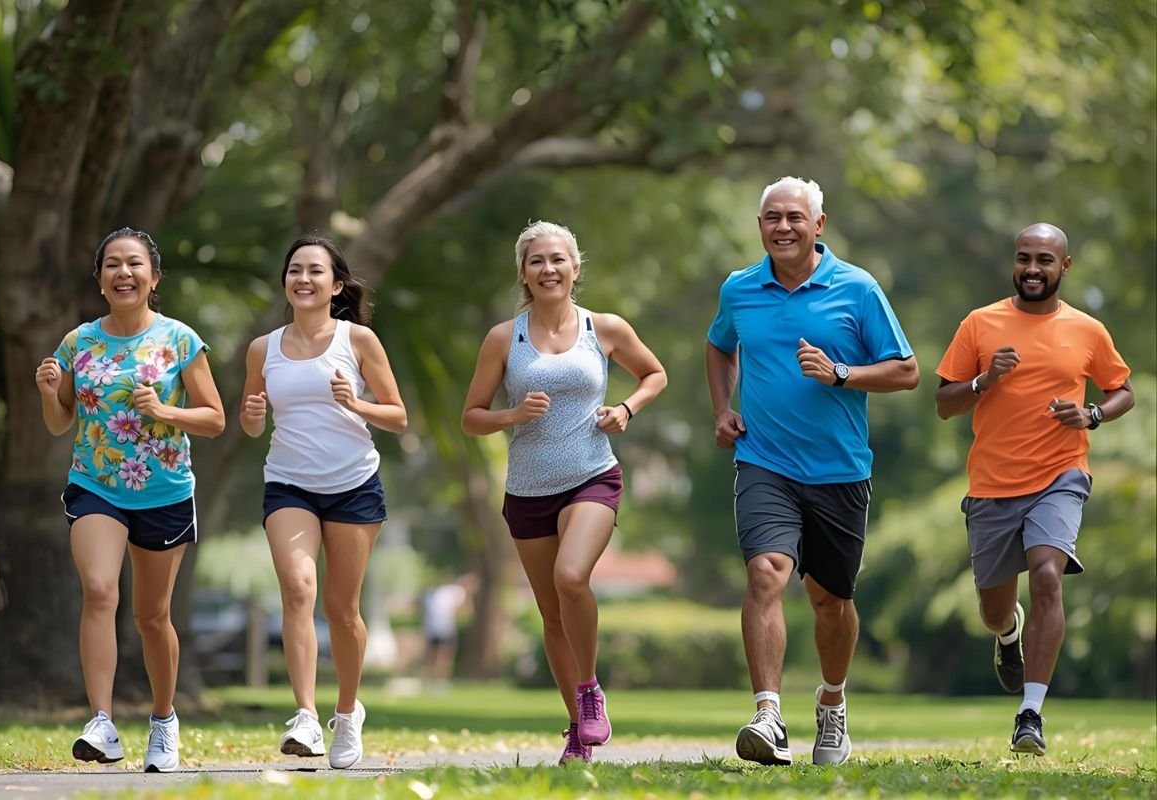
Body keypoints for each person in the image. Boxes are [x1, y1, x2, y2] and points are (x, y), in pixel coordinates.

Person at [705, 177, 918, 766]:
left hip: (839, 470)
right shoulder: (740, 289)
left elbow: (906, 371)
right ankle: (769, 715)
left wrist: (842, 374)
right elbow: (720, 346)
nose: (783, 227)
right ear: (760, 227)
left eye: (795, 217)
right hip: (764, 461)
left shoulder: (857, 287)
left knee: (830, 601)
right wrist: (724, 409)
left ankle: (831, 704)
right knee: (766, 573)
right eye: (772, 217)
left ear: (818, 225)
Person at [461, 221, 667, 765]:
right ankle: (577, 729)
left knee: (571, 577)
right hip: (528, 489)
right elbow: (471, 418)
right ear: (524, 274)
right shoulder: (505, 338)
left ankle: (590, 690)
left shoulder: (605, 328)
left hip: (592, 474)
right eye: (536, 262)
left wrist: (625, 409)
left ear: (576, 267)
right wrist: (512, 413)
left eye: (558, 260)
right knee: (551, 615)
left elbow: (654, 375)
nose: (548, 269)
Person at [935, 223, 1134, 756]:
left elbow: (1123, 391)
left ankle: (1030, 714)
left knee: (1048, 572)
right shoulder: (980, 323)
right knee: (994, 610)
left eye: (1044, 260)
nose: (1031, 269)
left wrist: (1091, 415)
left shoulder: (1088, 331)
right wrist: (984, 380)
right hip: (992, 485)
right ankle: (1007, 635)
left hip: (1060, 474)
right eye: (1024, 258)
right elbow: (944, 402)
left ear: (1064, 267)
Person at [36, 228, 226, 773]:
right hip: (96, 485)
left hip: (164, 491)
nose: (124, 272)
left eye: (134, 264)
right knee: (98, 591)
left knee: (151, 616)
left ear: (153, 277)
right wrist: (51, 392)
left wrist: (166, 412)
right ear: (100, 280)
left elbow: (214, 419)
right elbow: (59, 424)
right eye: (112, 265)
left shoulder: (180, 340)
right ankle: (102, 721)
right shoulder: (78, 342)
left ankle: (163, 721)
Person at [240, 235, 408, 770]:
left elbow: (399, 416)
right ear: (285, 281)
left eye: (315, 271)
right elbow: (251, 424)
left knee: (341, 608)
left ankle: (346, 711)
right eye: (295, 270)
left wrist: (354, 402)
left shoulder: (358, 341)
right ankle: (306, 716)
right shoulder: (262, 348)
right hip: (289, 483)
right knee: (298, 587)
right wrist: (251, 414)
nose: (303, 278)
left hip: (354, 485)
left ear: (336, 285)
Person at [420, 574, 475, 692]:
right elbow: (465, 613)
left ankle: (432, 682)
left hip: (433, 628)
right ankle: (437, 682)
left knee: (435, 657)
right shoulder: (457, 592)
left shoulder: (434, 592)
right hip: (444, 628)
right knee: (443, 657)